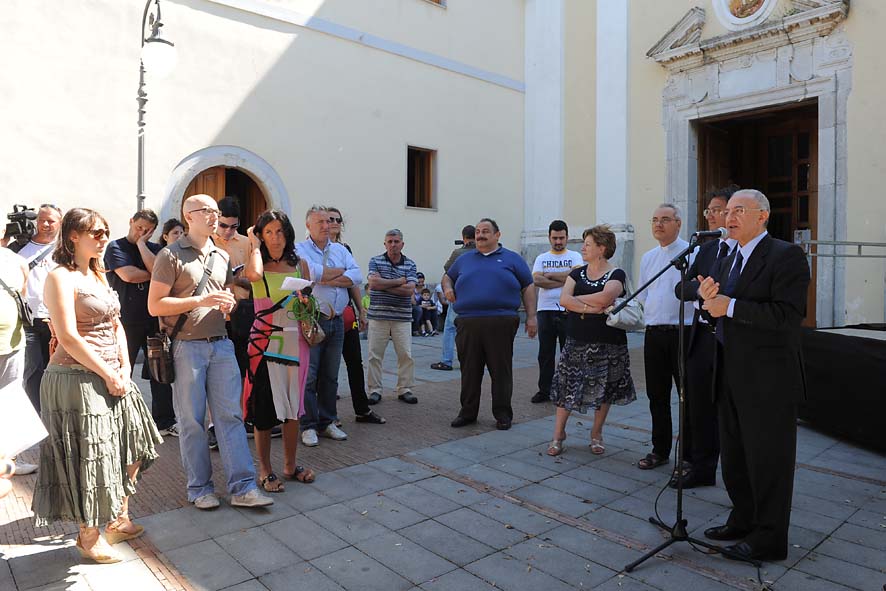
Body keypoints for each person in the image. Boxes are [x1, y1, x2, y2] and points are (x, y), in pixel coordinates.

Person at [31, 208, 162, 564]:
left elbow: (116, 324)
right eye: (96, 232)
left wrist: (122, 366)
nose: (104, 238)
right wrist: (107, 372)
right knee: (93, 457)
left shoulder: (100, 274)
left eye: (105, 232)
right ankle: (89, 535)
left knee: (136, 443)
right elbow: (69, 337)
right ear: (73, 235)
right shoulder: (60, 277)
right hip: (75, 378)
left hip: (112, 373)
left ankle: (118, 518)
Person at [697, 189, 810, 561]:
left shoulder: (786, 256)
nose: (728, 217)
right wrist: (708, 301)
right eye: (727, 211)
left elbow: (786, 317)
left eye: (738, 211)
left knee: (768, 461)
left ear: (763, 216)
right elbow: (719, 309)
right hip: (729, 372)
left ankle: (770, 538)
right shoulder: (728, 258)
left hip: (768, 381)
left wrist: (728, 305)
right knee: (735, 457)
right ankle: (743, 518)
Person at [148, 194, 272, 510]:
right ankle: (199, 488)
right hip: (185, 346)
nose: (215, 217)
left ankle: (242, 487)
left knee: (230, 416)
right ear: (189, 215)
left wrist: (230, 301)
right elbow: (155, 305)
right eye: (208, 211)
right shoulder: (169, 255)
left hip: (221, 343)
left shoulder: (220, 254)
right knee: (192, 421)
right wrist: (198, 301)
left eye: (216, 212)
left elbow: (228, 291)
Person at [243, 210, 316, 492]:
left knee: (293, 410)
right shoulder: (257, 262)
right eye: (269, 232)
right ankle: (264, 469)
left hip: (296, 343)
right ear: (261, 235)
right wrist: (252, 243)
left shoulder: (301, 266)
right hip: (265, 343)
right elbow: (253, 274)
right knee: (264, 410)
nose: (276, 238)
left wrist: (305, 302)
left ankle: (289, 465)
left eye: (281, 231)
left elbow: (308, 307)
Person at [546, 226, 636, 456]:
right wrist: (592, 307)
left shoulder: (617, 274)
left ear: (601, 248)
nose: (583, 248)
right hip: (577, 340)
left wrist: (579, 303)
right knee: (567, 386)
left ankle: (596, 433)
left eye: (587, 244)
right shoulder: (577, 273)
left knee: (604, 390)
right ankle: (558, 435)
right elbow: (565, 300)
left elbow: (607, 297)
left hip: (609, 343)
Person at [443, 218, 537, 430]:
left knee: (500, 371)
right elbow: (447, 277)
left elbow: (528, 286)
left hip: (501, 322)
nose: (480, 235)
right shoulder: (464, 259)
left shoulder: (512, 259)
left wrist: (532, 317)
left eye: (486, 231)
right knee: (469, 371)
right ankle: (467, 413)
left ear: (497, 235)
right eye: (477, 231)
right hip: (468, 323)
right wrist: (448, 288)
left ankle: (503, 414)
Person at [671, 187, 737, 489]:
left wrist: (716, 293)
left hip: (732, 342)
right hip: (702, 339)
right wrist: (698, 290)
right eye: (708, 210)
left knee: (730, 411)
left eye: (717, 209)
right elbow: (681, 288)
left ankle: (738, 472)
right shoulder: (707, 249)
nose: (710, 216)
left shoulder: (745, 252)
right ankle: (701, 467)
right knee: (697, 405)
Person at [104, 209, 178, 438]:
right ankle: (115, 420)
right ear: (130, 222)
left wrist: (143, 245)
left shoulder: (155, 249)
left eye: (148, 231)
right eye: (139, 228)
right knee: (121, 369)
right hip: (125, 321)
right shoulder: (115, 247)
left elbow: (159, 269)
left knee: (161, 371)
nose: (142, 233)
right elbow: (129, 275)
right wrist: (153, 274)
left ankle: (164, 421)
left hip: (153, 320)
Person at [295, 205, 363, 447]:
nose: (326, 226)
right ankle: (308, 425)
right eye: (320, 222)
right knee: (310, 375)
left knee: (331, 376)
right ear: (308, 226)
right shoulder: (299, 249)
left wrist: (324, 276)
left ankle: (327, 422)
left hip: (337, 321)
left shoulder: (340, 249)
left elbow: (357, 276)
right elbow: (308, 273)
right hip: (313, 320)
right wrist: (333, 273)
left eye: (328, 221)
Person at [635, 203, 694, 471]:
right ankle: (660, 449)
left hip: (684, 334)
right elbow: (645, 296)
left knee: (687, 397)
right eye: (655, 219)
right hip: (654, 335)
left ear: (678, 224)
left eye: (665, 219)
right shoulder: (648, 257)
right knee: (657, 395)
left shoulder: (693, 253)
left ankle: (690, 455)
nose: (658, 224)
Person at [328, 207, 384, 424]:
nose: (332, 223)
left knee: (354, 362)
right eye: (329, 219)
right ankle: (328, 415)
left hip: (346, 313)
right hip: (324, 315)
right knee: (327, 368)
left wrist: (361, 309)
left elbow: (353, 281)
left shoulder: (345, 248)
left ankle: (362, 410)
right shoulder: (312, 249)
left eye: (337, 219)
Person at [12, 204, 62, 415]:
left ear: (60, 222)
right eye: (42, 220)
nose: (46, 224)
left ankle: (55, 409)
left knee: (56, 368)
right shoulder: (17, 248)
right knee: (33, 369)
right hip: (27, 319)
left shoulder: (64, 250)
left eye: (51, 221)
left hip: (56, 319)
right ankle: (37, 413)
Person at [366, 229, 419, 405]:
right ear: (385, 244)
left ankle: (405, 389)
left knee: (405, 354)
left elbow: (410, 290)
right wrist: (398, 281)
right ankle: (375, 390)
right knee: (374, 355)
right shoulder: (375, 261)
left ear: (402, 244)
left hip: (402, 317)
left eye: (396, 241)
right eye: (389, 241)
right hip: (378, 316)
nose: (393, 244)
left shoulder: (410, 264)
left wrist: (382, 285)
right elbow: (372, 283)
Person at [531, 220, 582, 404]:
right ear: (549, 238)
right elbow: (537, 280)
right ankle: (544, 390)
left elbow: (577, 275)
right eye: (555, 238)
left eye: (561, 238)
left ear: (567, 237)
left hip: (569, 309)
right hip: (545, 310)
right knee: (545, 353)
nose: (558, 241)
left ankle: (569, 390)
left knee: (568, 353)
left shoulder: (575, 255)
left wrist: (550, 276)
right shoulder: (541, 258)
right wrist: (566, 279)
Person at [431, 225, 475, 371]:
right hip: (476, 296)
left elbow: (448, 269)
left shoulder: (459, 252)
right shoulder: (481, 251)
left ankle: (446, 360)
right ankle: (473, 360)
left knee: (450, 328)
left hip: (458, 295)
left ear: (463, 237)